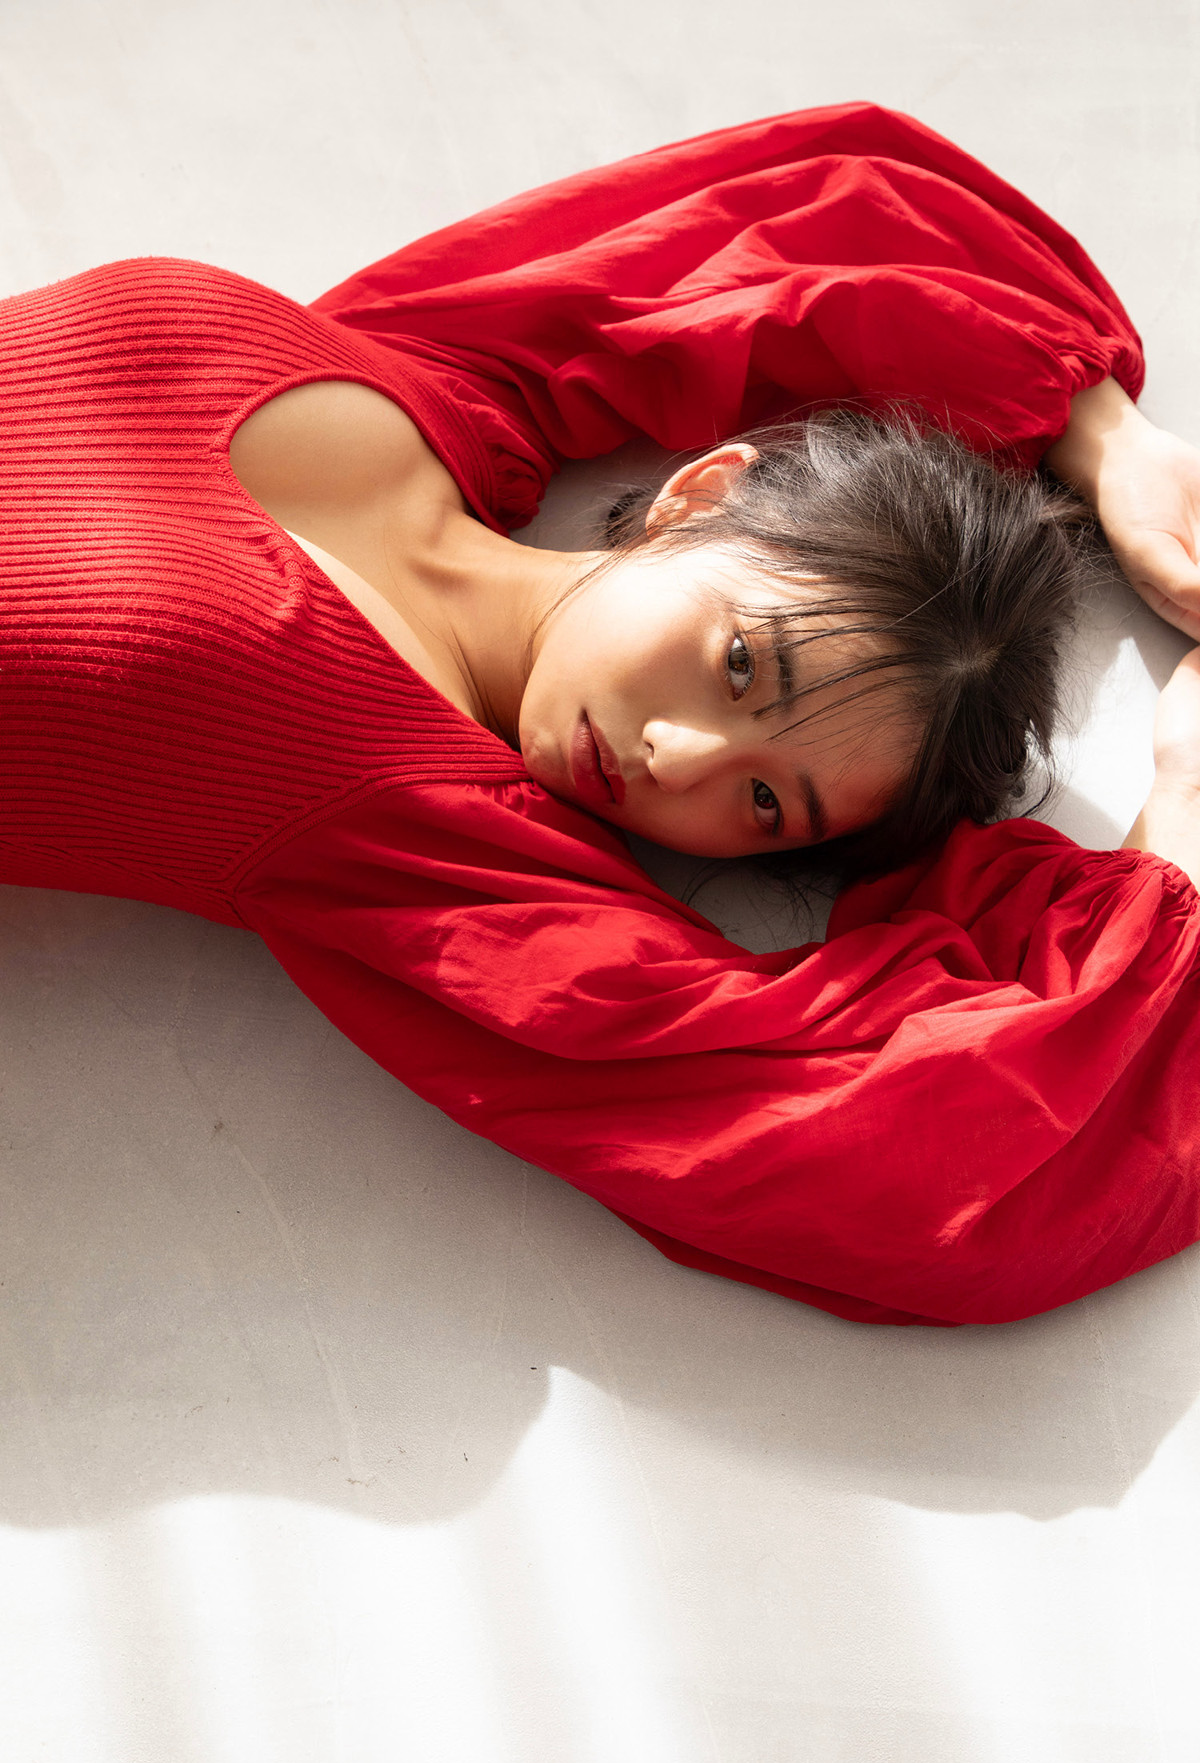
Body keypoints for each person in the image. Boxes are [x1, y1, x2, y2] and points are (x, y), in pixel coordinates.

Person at [4, 100, 1200, 1327]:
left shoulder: (427, 835)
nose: (675, 757)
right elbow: (809, 224)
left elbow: (907, 1158)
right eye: (742, 664)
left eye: (765, 801)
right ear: (703, 491)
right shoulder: (437, 376)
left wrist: (1178, 821)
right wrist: (1105, 439)